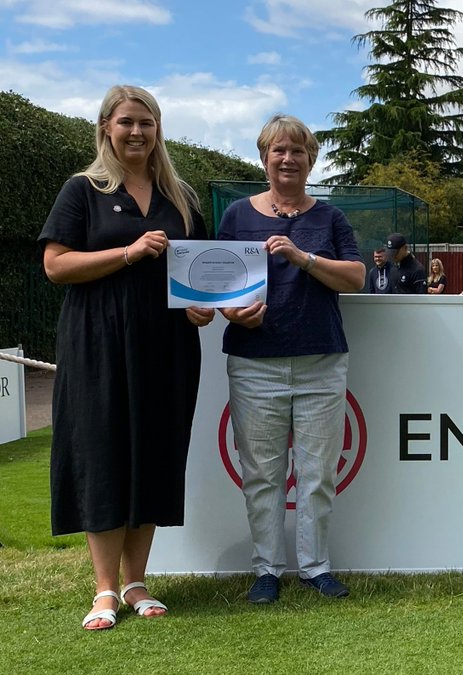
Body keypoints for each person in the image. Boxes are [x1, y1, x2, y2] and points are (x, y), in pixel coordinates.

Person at [39, 85, 214, 630]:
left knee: (154, 454)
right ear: (106, 128)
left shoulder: (180, 196)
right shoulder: (82, 190)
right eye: (127, 122)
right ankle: (105, 589)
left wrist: (202, 310)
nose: (137, 132)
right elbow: (56, 266)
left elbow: (202, 274)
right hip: (97, 343)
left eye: (147, 122)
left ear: (158, 129)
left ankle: (138, 581)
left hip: (166, 346)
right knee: (104, 453)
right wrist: (128, 252)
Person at [217, 114, 365, 604]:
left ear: (311, 160)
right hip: (254, 361)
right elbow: (215, 285)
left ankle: (316, 567)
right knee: (262, 472)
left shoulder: (330, 218)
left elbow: (356, 278)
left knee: (318, 470)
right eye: (278, 151)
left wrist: (304, 258)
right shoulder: (238, 215)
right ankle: (266, 570)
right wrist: (233, 314)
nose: (287, 159)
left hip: (321, 359)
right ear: (264, 159)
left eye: (297, 151)